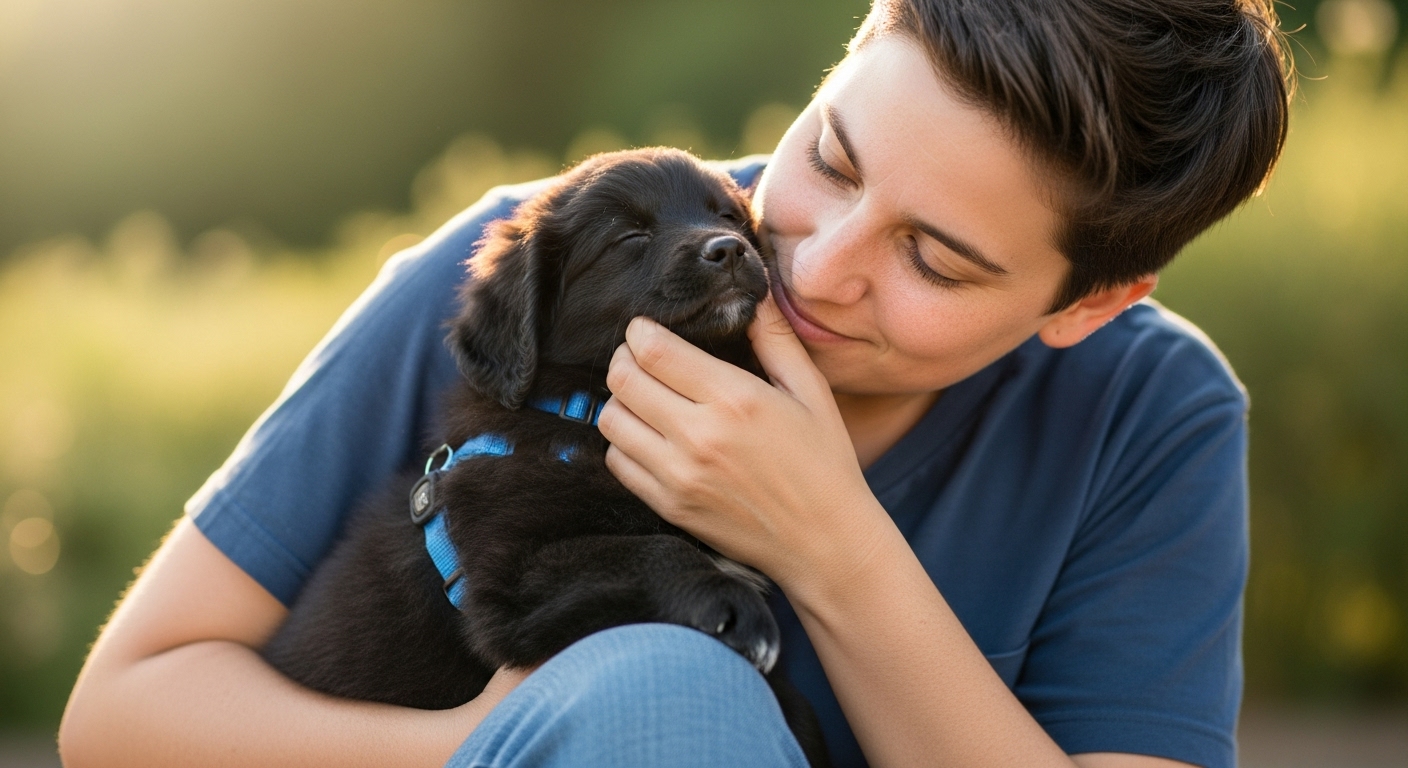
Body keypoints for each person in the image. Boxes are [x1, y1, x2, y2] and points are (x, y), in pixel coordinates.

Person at [58, 0, 1291, 766]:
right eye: (831, 156)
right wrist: (472, 747)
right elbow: (122, 716)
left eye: (931, 258)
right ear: (848, 49)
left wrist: (830, 547)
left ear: (1087, 303)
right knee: (659, 689)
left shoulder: (1148, 419)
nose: (809, 258)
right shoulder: (530, 270)